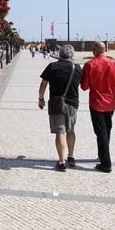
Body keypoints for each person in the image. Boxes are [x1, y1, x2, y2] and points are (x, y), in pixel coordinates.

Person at [81, 41, 115, 173]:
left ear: (94, 50)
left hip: (96, 103)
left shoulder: (89, 65)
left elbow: (84, 87)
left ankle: (106, 163)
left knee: (101, 132)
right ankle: (102, 155)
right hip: (111, 104)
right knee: (106, 130)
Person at [38, 44, 82, 172]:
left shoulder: (52, 67)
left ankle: (62, 162)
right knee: (71, 129)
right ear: (72, 55)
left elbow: (43, 84)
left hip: (56, 103)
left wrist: (41, 99)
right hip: (73, 104)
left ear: (59, 54)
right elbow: (82, 84)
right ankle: (71, 156)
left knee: (60, 131)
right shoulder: (77, 68)